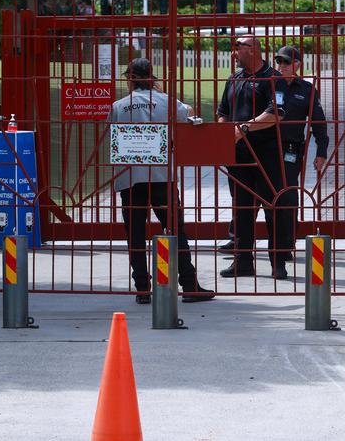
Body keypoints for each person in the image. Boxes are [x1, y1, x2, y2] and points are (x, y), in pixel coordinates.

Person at [110, 58, 215, 304]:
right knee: (175, 229)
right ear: (152, 78)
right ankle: (189, 284)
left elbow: (113, 130)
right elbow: (188, 113)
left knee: (135, 233)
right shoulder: (166, 102)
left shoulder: (118, 106)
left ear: (129, 79)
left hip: (130, 177)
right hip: (161, 177)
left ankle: (142, 288)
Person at [216, 35, 288, 279]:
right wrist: (226, 130)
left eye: (239, 47)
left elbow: (276, 113)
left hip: (267, 156)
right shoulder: (234, 79)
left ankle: (278, 262)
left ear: (254, 50)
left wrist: (243, 128)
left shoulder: (273, 78)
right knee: (242, 210)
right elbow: (222, 112)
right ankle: (243, 262)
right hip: (238, 156)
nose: (234, 52)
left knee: (273, 207)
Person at [268, 46, 329, 264]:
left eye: (286, 62)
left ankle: (286, 244)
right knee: (263, 197)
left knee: (288, 196)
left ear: (297, 65)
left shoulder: (307, 89)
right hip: (265, 148)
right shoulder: (270, 84)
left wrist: (321, 152)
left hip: (291, 151)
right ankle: (243, 245)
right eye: (279, 62)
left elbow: (319, 124)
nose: (282, 66)